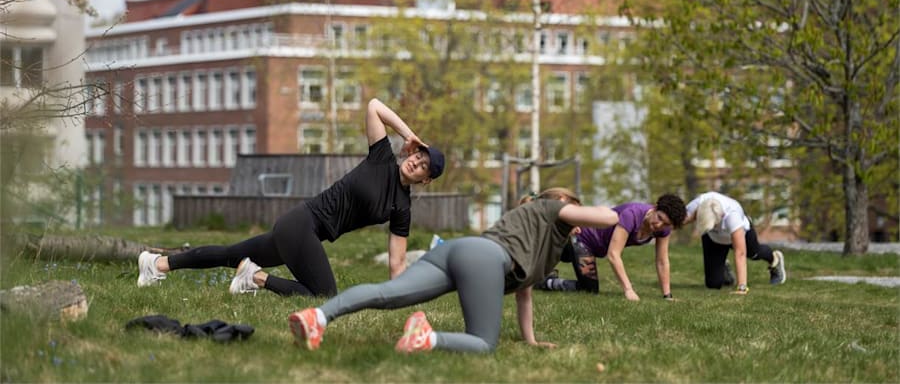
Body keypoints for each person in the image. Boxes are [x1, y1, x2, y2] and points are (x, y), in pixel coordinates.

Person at [136, 98, 445, 297]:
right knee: (324, 296)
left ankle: (156, 265)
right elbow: (375, 106)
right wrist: (408, 135)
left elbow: (397, 262)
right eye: (420, 155)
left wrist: (400, 298)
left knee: (229, 253)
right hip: (302, 224)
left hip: (306, 234)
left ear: (426, 180)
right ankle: (254, 278)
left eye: (424, 166)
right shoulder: (381, 157)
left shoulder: (402, 208)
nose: (417, 161)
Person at [287, 188, 619, 354]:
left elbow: (524, 296)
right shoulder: (548, 209)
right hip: (485, 258)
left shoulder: (540, 242)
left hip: (456, 251)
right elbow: (610, 218)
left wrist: (530, 341)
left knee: (388, 294)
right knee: (484, 343)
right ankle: (425, 338)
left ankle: (318, 317)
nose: (578, 226)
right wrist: (592, 209)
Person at [537, 194, 687, 301]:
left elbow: (662, 261)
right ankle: (545, 282)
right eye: (659, 218)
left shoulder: (663, 230)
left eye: (666, 224)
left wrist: (667, 296)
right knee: (589, 289)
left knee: (560, 260)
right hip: (582, 239)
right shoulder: (632, 215)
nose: (659, 225)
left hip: (595, 249)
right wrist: (628, 290)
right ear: (654, 208)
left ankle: (542, 266)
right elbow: (614, 254)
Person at [683, 191, 786, 294]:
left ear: (721, 216)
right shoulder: (698, 203)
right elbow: (679, 220)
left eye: (714, 225)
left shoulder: (732, 216)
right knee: (713, 284)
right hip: (714, 239)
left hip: (742, 234)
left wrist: (742, 287)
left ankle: (775, 259)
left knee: (754, 253)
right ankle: (723, 266)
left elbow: (740, 253)